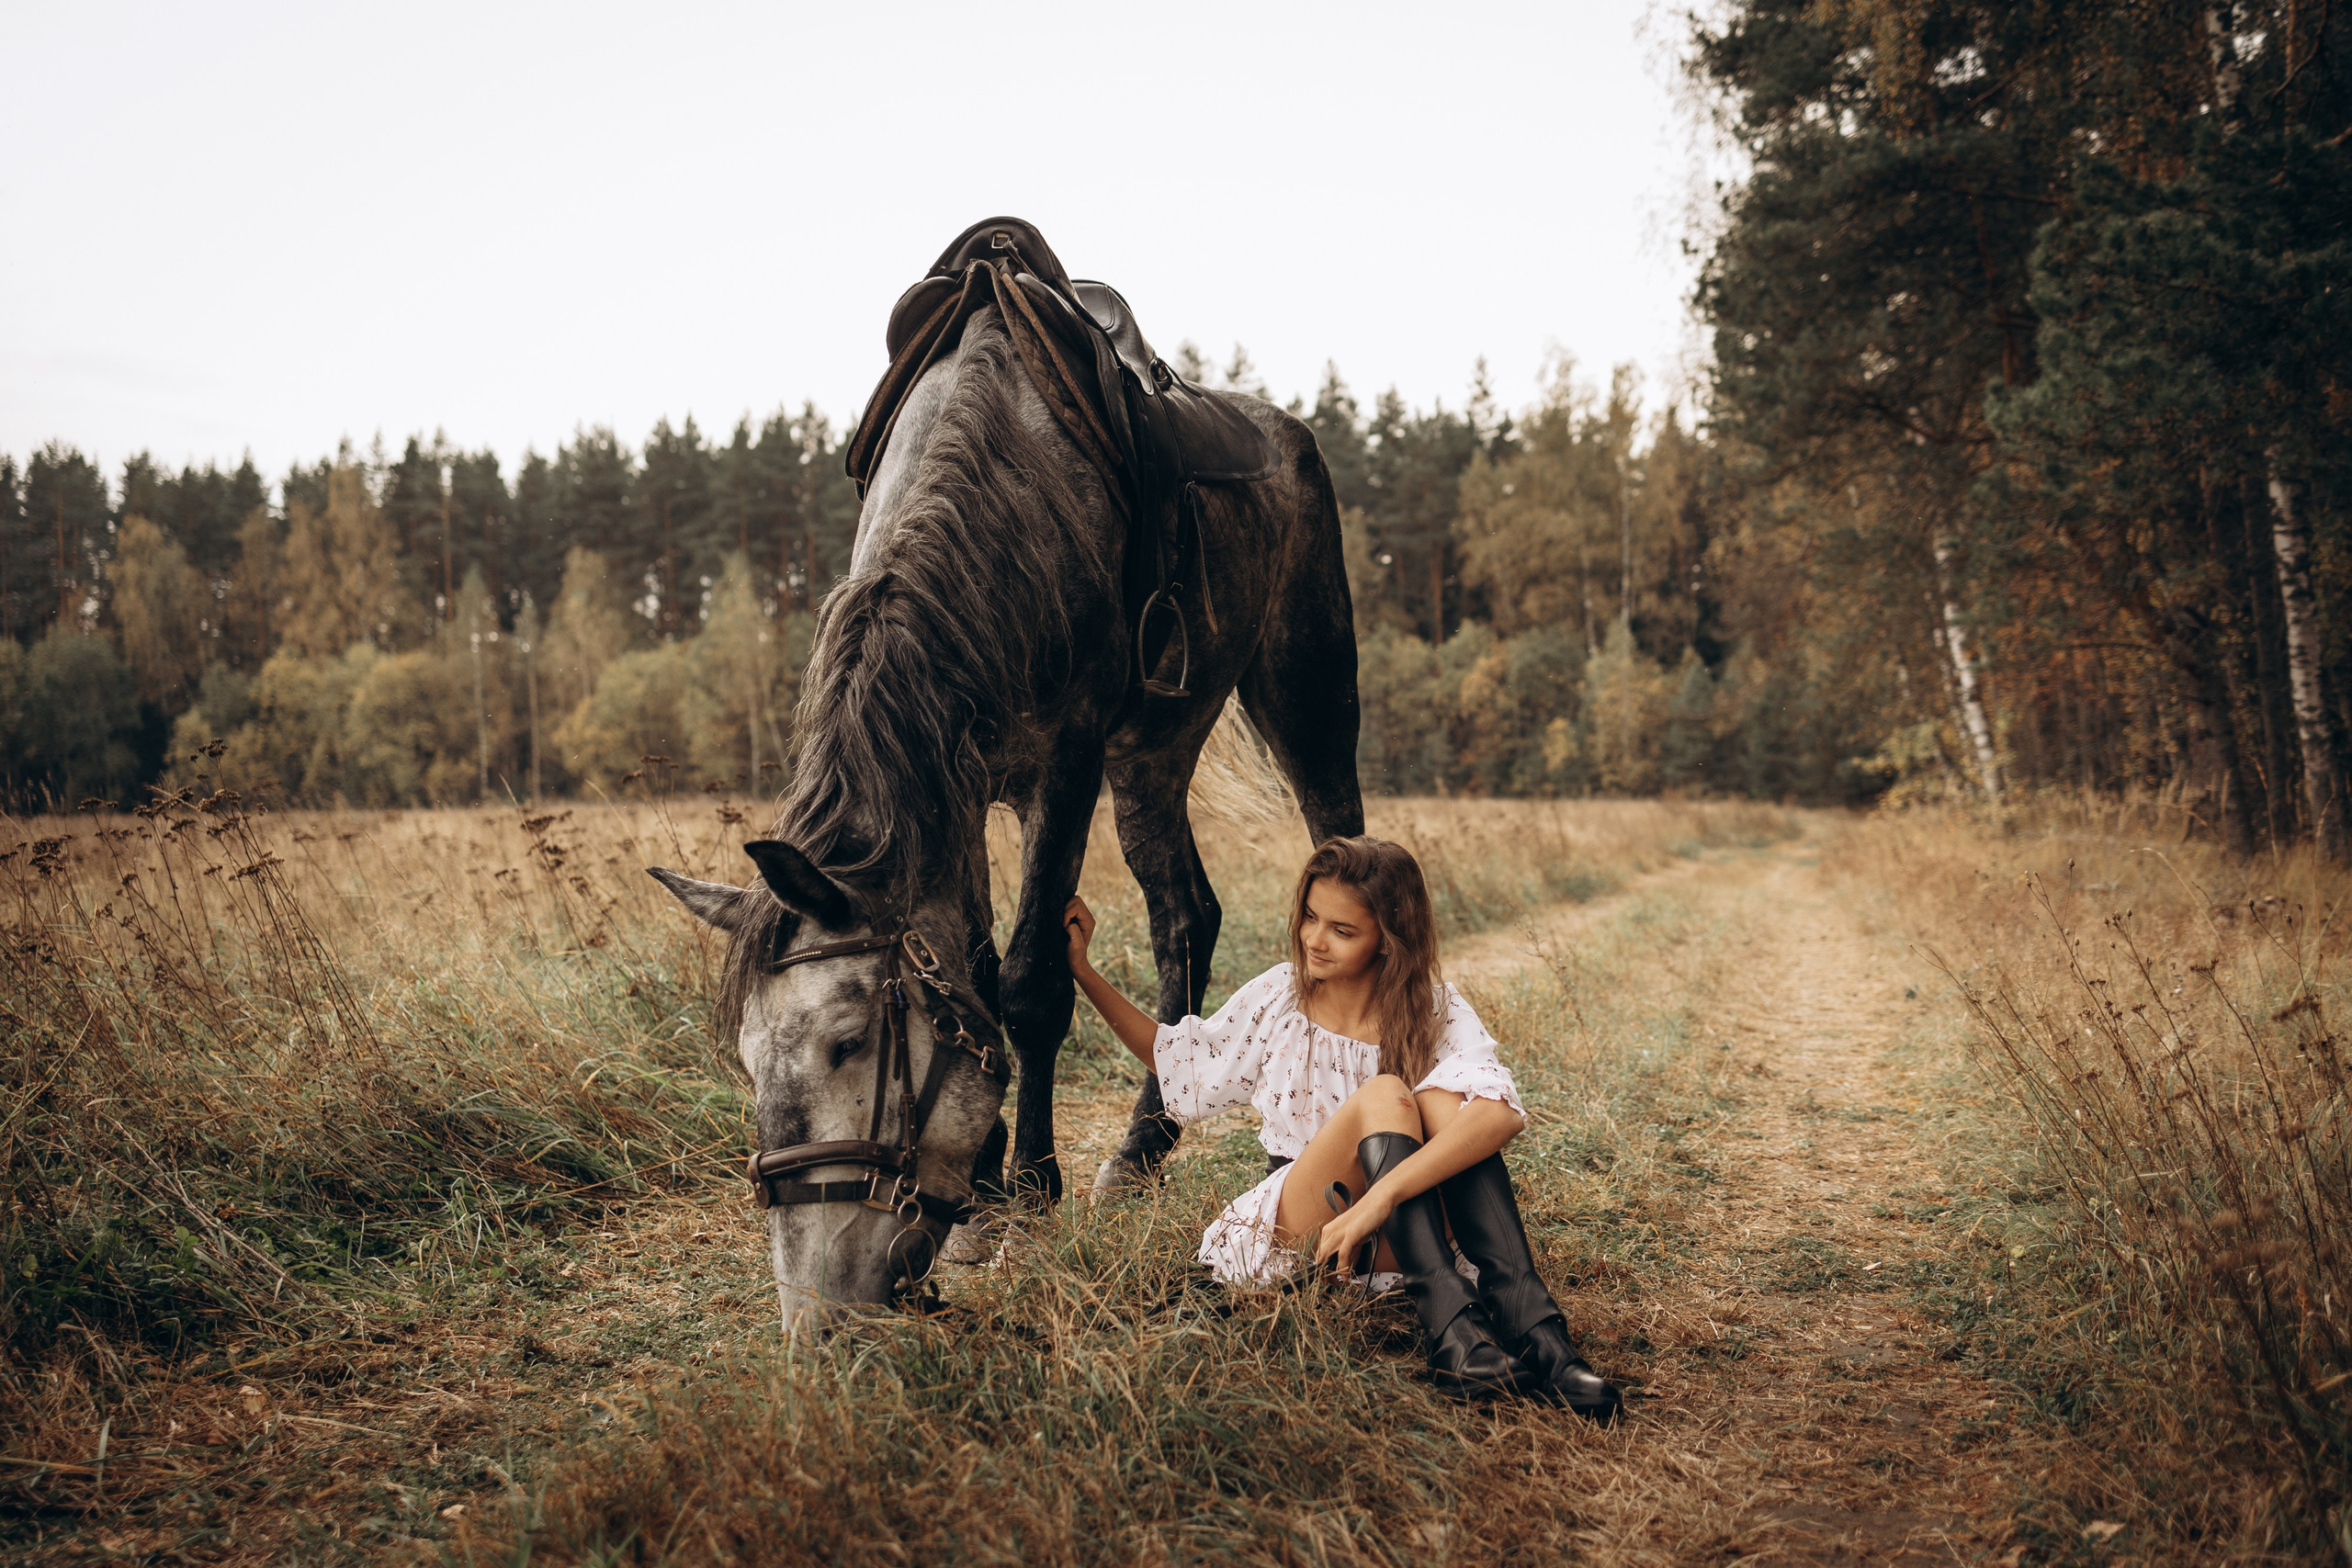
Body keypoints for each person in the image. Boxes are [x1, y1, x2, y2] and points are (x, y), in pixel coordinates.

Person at [1065, 834, 1621, 1416]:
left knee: (1451, 1103)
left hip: (1398, 1231)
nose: (1314, 939)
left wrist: (1380, 1200)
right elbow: (1175, 1056)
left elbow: (1498, 1114)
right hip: (1308, 1222)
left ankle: (1541, 1338)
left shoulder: (1435, 1009)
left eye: (1342, 930)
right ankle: (1456, 1337)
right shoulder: (1282, 996)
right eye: (1310, 916)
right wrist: (1083, 969)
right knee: (1388, 1094)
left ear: (1390, 939)